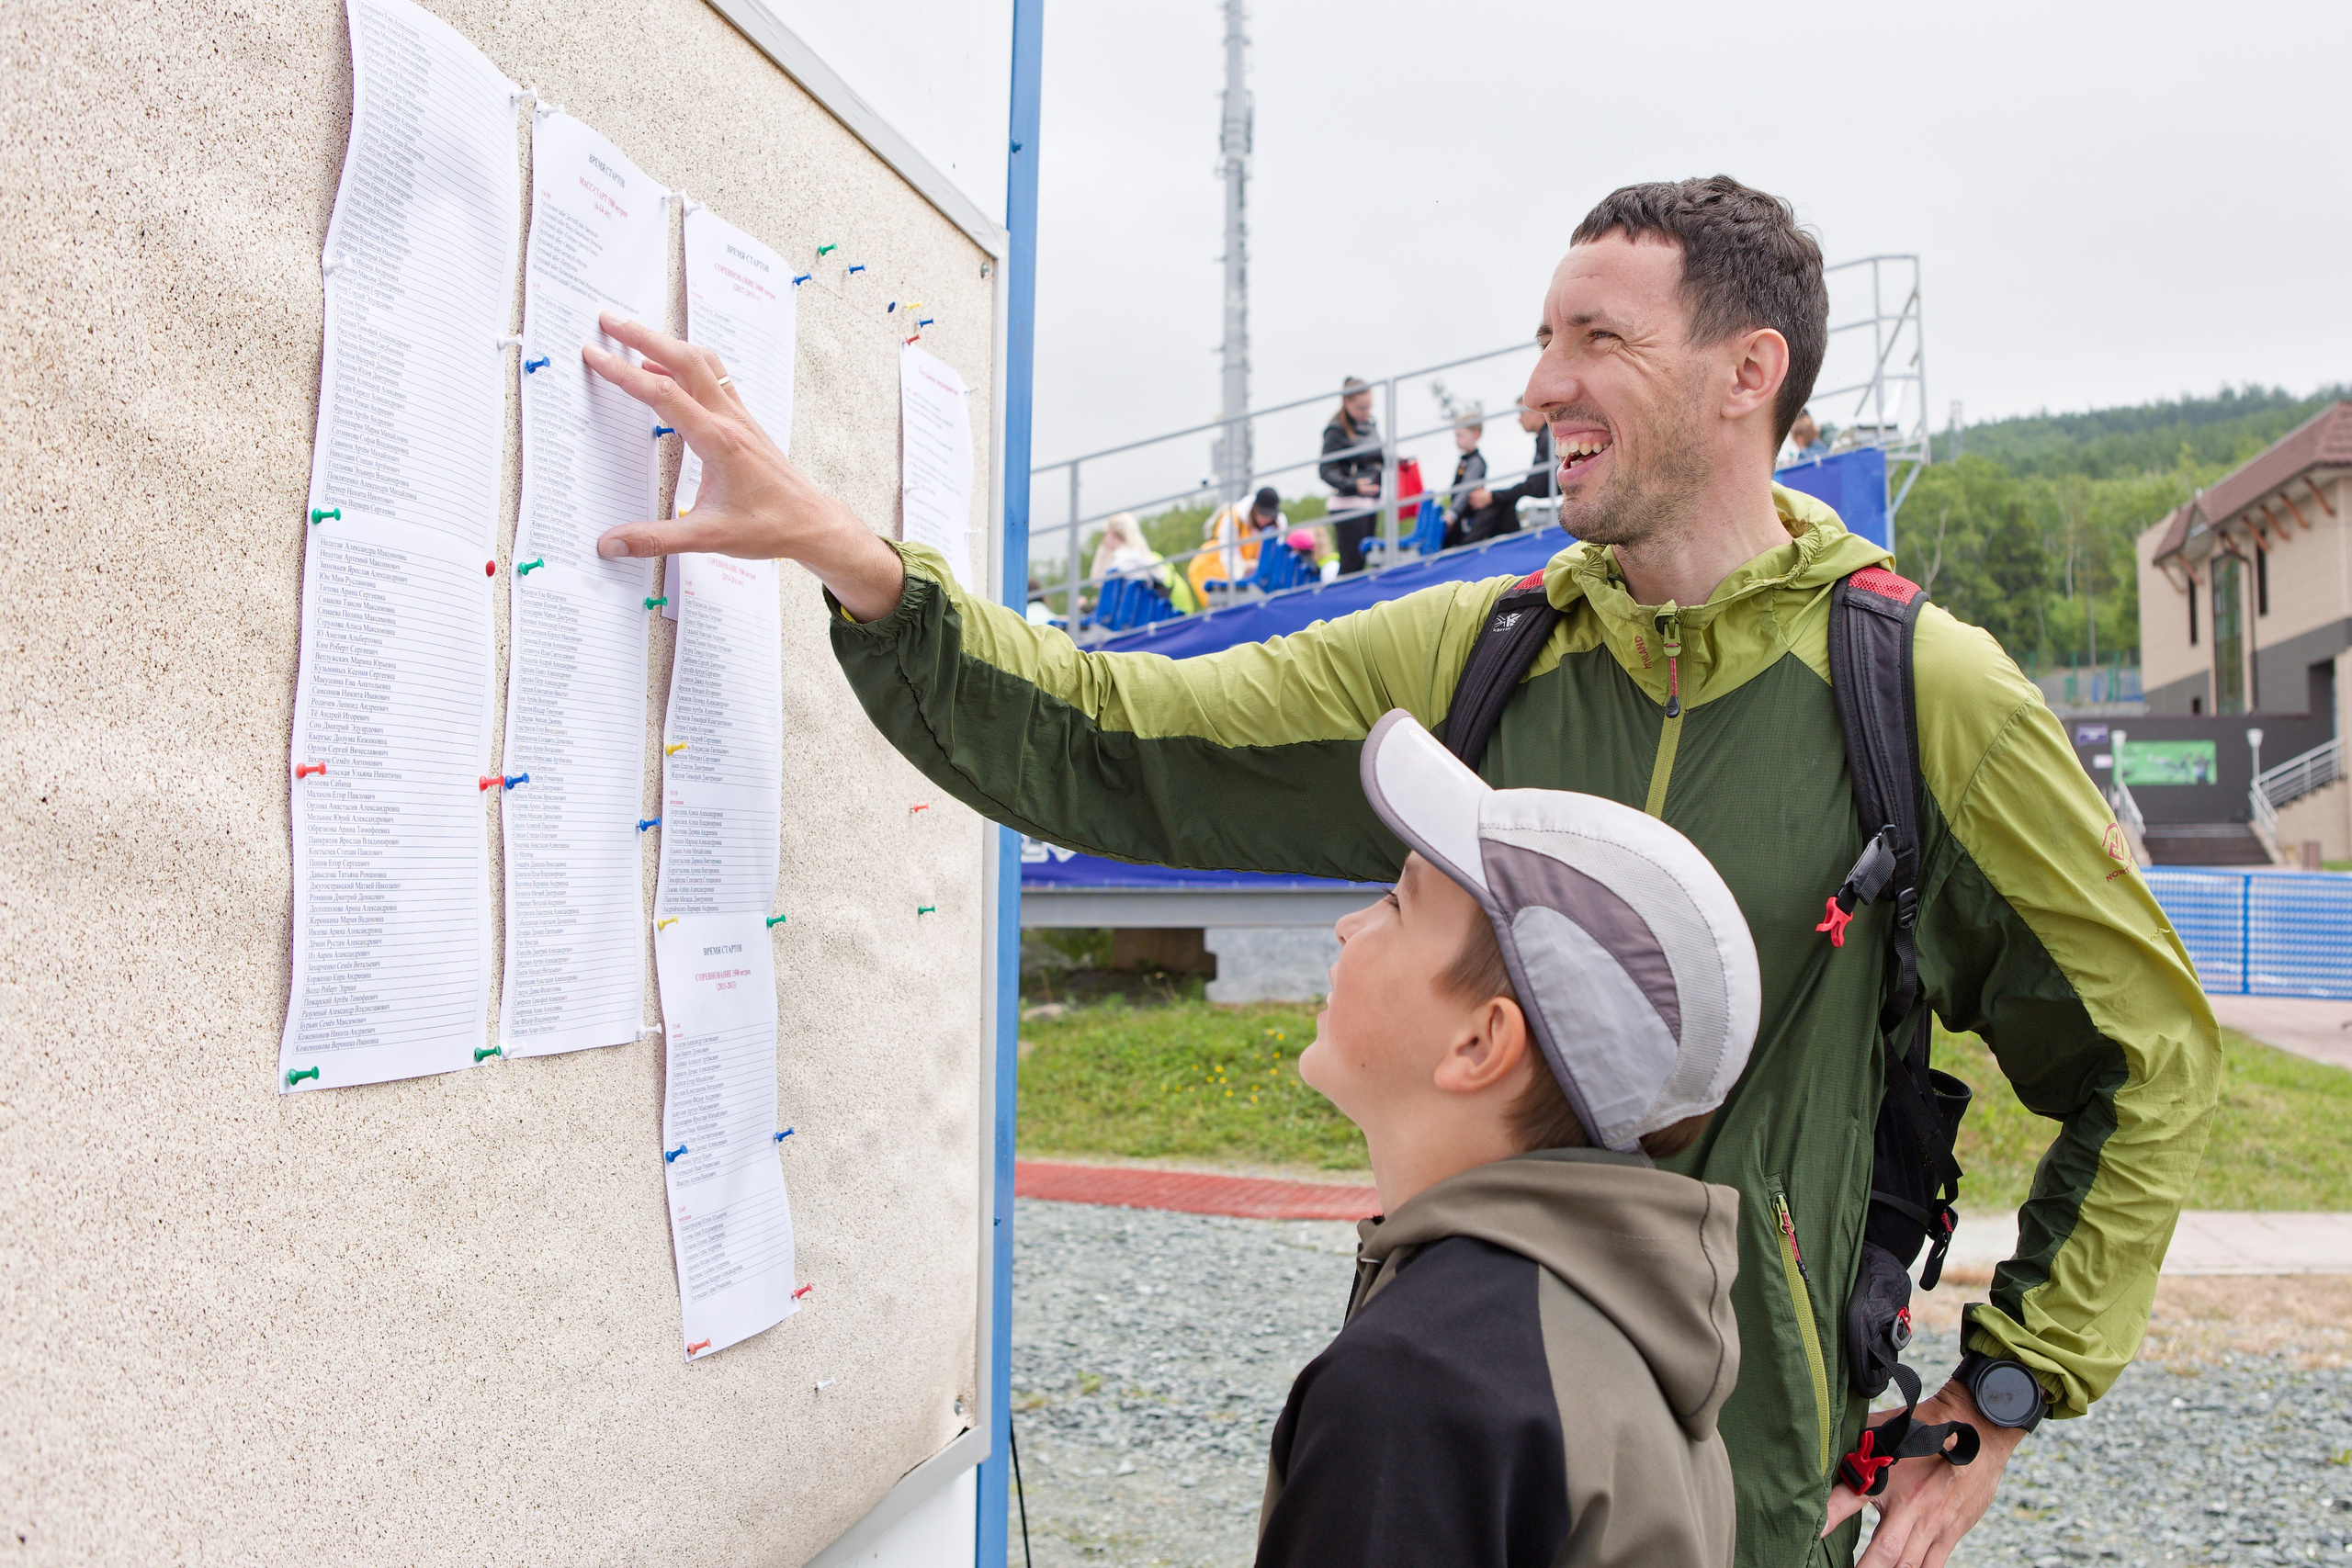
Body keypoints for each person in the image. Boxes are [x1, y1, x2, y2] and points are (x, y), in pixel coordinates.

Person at [582, 174, 2221, 1568]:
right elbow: (1123, 737)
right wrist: (858, 563)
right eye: (1543, 337)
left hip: (1762, 1489)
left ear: (1748, 372)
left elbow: (2147, 1059)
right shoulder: (1482, 655)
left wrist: (2004, 1392)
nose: (1540, 387)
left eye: (1597, 339)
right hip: (1474, 1436)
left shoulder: (1922, 696)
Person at [1257, 709, 1755, 1567]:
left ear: (1480, 1043)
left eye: (1396, 904)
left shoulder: (1417, 1384)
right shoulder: (1625, 1326)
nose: (1349, 926)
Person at [1318, 378, 1384, 573]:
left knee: (1364, 562)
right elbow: (1325, 470)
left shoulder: (1370, 424)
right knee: (1351, 565)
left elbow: (1375, 457)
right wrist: (1354, 486)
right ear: (1347, 403)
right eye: (1361, 408)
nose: (1366, 412)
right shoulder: (1336, 430)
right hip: (1347, 505)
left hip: (1370, 502)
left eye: (1369, 407)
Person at [1185, 486, 1283, 602]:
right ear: (1255, 508)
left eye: (1270, 515)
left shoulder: (1277, 524)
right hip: (1228, 568)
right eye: (1263, 514)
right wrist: (1241, 579)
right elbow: (1228, 556)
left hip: (1258, 575)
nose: (1266, 519)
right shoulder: (1232, 519)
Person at [1090, 511, 1198, 614]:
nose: (1102, 540)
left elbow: (1098, 581)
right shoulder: (1143, 558)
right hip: (1173, 612)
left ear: (1112, 534)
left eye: (1103, 534)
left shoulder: (1124, 562)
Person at [1441, 408, 1516, 547]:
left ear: (1475, 435)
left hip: (1468, 515)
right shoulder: (1465, 461)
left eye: (1460, 435)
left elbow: (1466, 489)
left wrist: (1453, 512)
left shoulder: (1475, 462)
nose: (1457, 440)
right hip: (1462, 514)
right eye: (1456, 435)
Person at [1488, 403, 1556, 525]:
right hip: (1546, 497)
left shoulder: (1548, 439)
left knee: (1497, 507)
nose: (1519, 419)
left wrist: (1492, 497)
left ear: (1537, 412)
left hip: (1548, 500)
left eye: (1522, 413)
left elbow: (1534, 487)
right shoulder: (1546, 438)